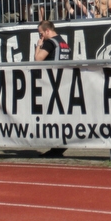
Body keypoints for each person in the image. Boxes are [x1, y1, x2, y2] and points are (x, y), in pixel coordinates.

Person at [35, 20, 70, 158]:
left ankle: (57, 146)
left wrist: (38, 46)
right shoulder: (63, 42)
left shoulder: (50, 42)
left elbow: (38, 59)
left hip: (53, 81)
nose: (41, 37)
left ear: (47, 31)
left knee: (53, 115)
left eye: (41, 34)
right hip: (63, 80)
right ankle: (58, 146)